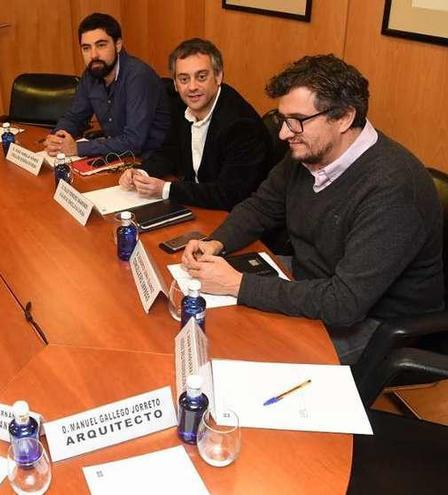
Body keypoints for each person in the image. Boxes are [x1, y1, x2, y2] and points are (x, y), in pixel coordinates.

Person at [181, 54, 443, 363]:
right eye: (282, 120)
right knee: (205, 320)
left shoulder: (394, 187)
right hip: (310, 281)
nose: (283, 134)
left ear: (344, 117)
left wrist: (237, 284)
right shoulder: (311, 151)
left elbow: (344, 303)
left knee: (241, 354)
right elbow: (260, 207)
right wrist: (216, 242)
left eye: (297, 121)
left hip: (376, 323)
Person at [119, 38, 272, 211]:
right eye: (184, 79)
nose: (192, 87)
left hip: (234, 215)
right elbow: (169, 152)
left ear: (218, 76)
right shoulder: (182, 106)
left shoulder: (241, 124)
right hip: (200, 206)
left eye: (201, 77)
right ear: (175, 84)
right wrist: (141, 173)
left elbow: (230, 194)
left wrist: (166, 189)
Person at [44, 13, 171, 161]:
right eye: (86, 48)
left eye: (101, 45)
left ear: (118, 45)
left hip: (150, 162)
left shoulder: (138, 76)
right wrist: (59, 138)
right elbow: (74, 117)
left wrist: (77, 148)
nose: (93, 55)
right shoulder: (92, 73)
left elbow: (134, 141)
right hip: (117, 157)